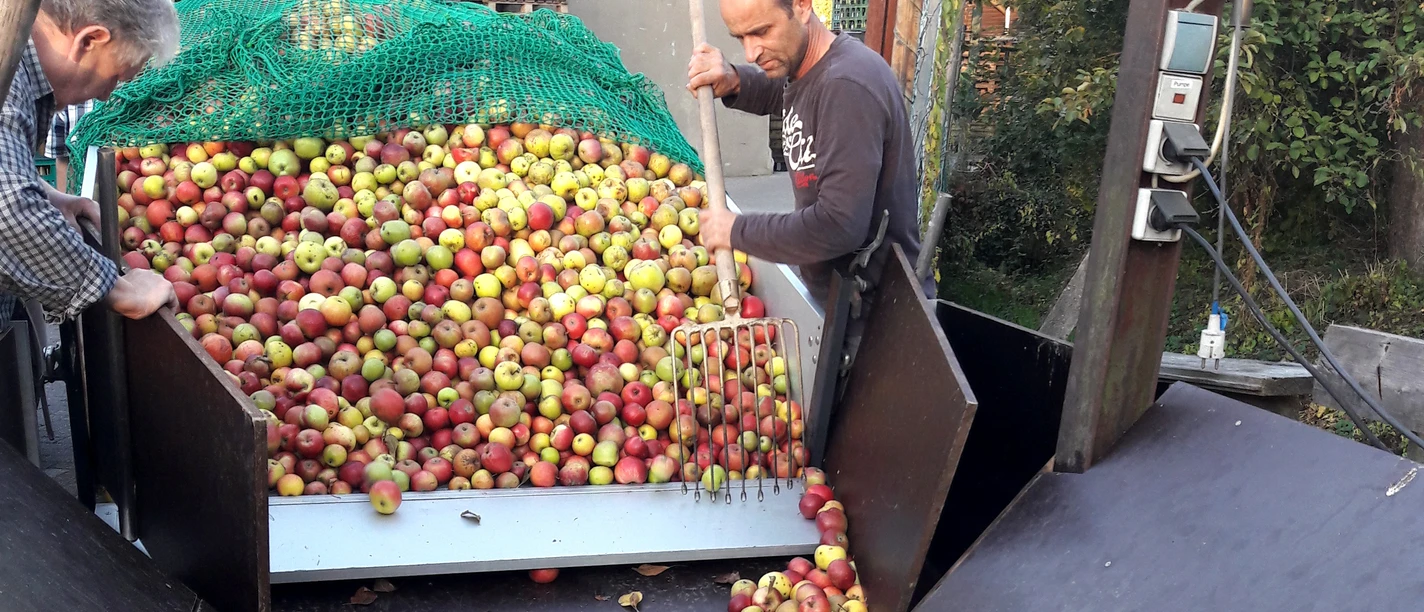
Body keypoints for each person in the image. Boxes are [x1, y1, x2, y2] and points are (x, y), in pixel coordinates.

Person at [686, 0, 935, 310]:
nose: (751, 52)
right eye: (740, 38)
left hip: (879, 320)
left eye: (761, 31)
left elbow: (838, 225)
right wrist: (735, 80)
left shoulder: (847, 87)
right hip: (843, 302)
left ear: (802, 5)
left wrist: (735, 230)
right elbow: (791, 94)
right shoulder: (814, 70)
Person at [0, 0, 181, 333]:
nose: (105, 96)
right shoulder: (6, 75)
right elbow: (7, 211)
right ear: (88, 41)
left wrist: (48, 196)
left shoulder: (20, 70)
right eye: (113, 77)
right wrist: (122, 291)